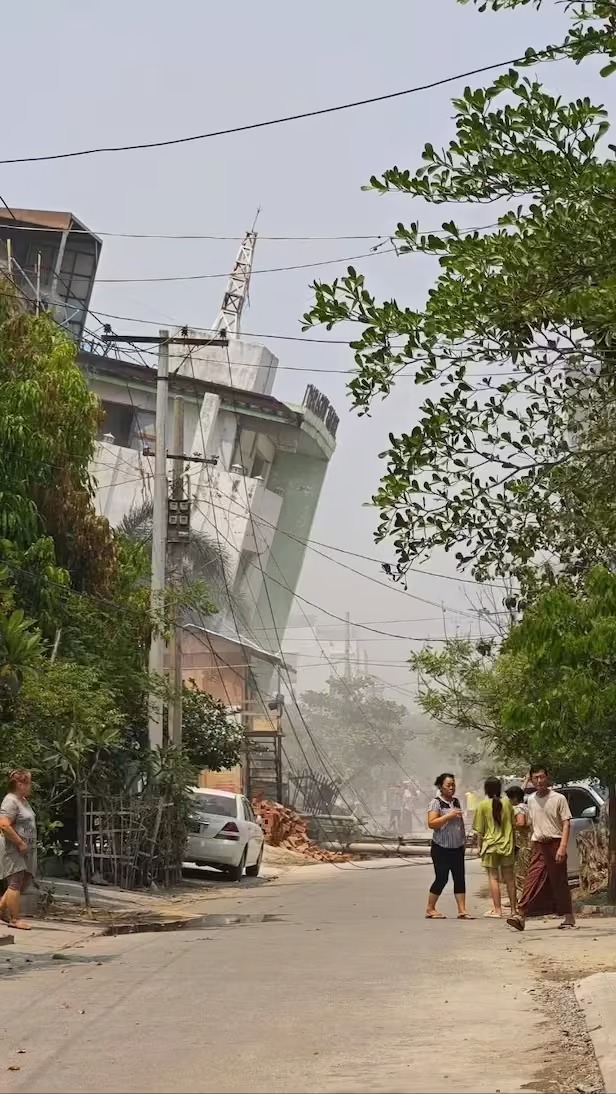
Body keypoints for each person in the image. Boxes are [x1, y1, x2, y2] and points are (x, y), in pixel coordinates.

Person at [507, 764, 575, 932]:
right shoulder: (531, 799)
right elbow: (530, 824)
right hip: (538, 845)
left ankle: (569, 916)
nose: (539, 781)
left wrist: (562, 847)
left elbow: (566, 823)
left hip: (555, 843)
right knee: (533, 879)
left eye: (541, 777)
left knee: (559, 881)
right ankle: (521, 915)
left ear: (547, 777)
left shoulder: (558, 798)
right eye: (535, 778)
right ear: (531, 780)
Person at [426, 772, 471, 920]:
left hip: (457, 847)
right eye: (448, 785)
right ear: (441, 787)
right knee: (442, 878)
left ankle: (462, 910)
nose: (452, 788)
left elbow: (459, 823)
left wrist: (463, 840)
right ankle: (430, 908)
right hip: (441, 847)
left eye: (453, 785)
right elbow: (431, 823)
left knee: (459, 878)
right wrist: (447, 816)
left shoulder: (456, 801)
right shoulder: (436, 803)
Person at [473, 777, 517, 918]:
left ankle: (497, 910)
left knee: (493, 878)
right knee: (510, 878)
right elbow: (513, 825)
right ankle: (514, 910)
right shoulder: (507, 803)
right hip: (507, 845)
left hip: (490, 846)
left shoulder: (482, 805)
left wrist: (479, 847)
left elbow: (480, 830)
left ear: (486, 789)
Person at [0, 769, 37, 930]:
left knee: (25, 881)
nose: (30, 786)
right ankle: (15, 919)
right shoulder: (10, 801)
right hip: (13, 848)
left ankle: (1, 909)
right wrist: (20, 842)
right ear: (19, 784)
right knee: (15, 882)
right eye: (28, 783)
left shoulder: (23, 800)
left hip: (26, 849)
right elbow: (4, 825)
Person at [506, 785, 531, 901]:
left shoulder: (518, 809)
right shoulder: (526, 806)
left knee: (521, 872)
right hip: (527, 843)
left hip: (521, 844)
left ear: (515, 798)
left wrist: (510, 825)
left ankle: (523, 899)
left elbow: (521, 823)